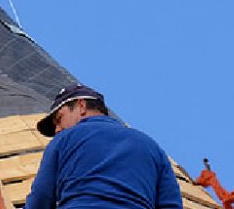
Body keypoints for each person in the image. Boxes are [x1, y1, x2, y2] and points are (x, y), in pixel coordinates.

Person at [25, 84, 183, 209]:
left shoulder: (64, 140)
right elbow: (171, 204)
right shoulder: (151, 146)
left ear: (81, 106)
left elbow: (41, 197)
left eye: (59, 118)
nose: (57, 129)